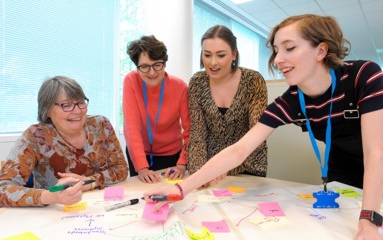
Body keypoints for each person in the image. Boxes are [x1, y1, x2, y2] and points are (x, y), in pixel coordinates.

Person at [144, 14, 383, 239]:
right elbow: (239, 149)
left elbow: (376, 152)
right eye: (277, 50)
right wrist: (181, 189)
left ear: (321, 50)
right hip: (340, 166)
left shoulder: (364, 75)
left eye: (289, 48)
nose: (278, 59)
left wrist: (368, 218)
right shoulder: (291, 100)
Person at [0, 76, 128, 207]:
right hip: (53, 212)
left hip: (99, 207)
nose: (78, 111)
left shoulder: (100, 125)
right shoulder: (35, 137)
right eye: (66, 105)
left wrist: (89, 182)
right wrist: (51, 197)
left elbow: (121, 168)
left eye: (81, 102)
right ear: (48, 110)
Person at [187, 25, 268, 186]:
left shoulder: (253, 80)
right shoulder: (197, 82)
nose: (213, 62)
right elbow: (197, 134)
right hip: (211, 168)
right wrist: (198, 175)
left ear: (233, 55)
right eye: (207, 55)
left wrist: (231, 162)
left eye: (221, 55)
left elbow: (257, 132)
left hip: (248, 165)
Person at [123, 35, 190, 183]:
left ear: (164, 63)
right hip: (139, 153)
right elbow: (131, 127)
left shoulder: (180, 87)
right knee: (140, 197)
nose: (152, 72)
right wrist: (141, 167)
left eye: (157, 65)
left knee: (171, 198)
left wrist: (182, 164)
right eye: (145, 66)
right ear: (137, 66)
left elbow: (190, 131)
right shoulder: (131, 81)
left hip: (171, 155)